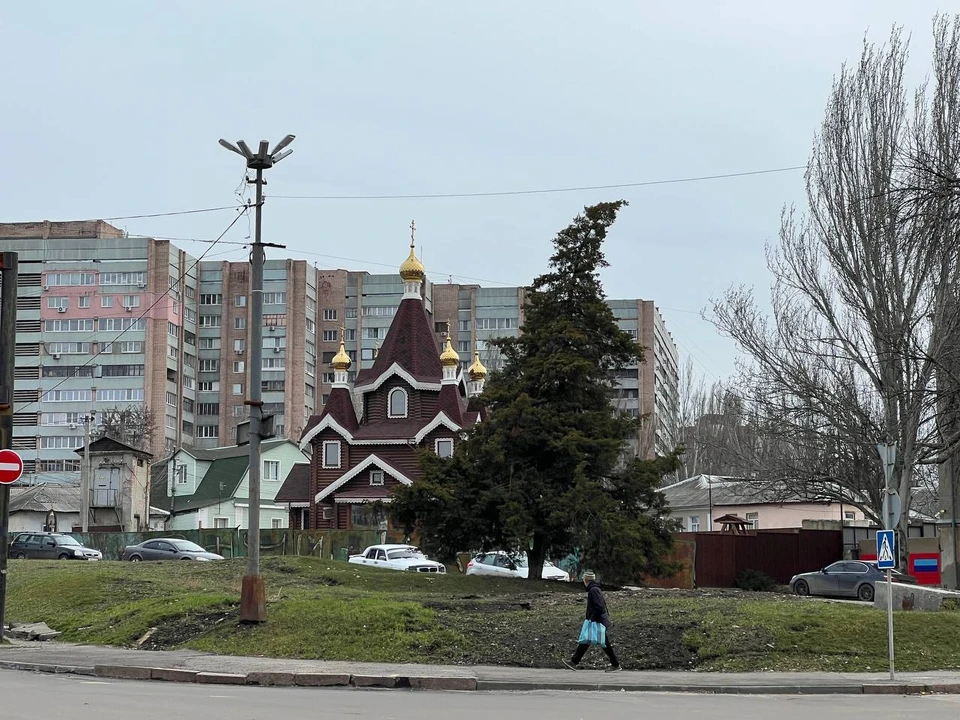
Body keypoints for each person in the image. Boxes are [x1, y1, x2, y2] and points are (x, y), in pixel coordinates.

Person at [563, 571, 621, 672]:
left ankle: (616, 665)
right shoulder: (595, 589)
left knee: (602, 643)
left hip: (597, 620)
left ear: (585, 580)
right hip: (597, 619)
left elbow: (599, 606)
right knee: (587, 640)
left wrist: (592, 618)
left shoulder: (593, 590)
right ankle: (574, 662)